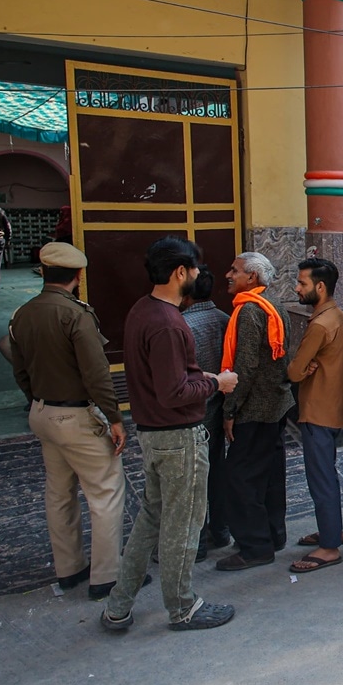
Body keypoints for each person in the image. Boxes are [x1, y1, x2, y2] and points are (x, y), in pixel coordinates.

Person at [101, 238, 237, 632]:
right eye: (195, 269)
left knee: (150, 520)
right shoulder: (166, 322)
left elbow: (169, 379)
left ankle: (118, 605)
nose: (198, 275)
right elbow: (174, 392)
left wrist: (204, 377)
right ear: (181, 271)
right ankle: (183, 607)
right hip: (178, 437)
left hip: (154, 432)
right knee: (183, 525)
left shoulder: (144, 310)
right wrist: (219, 384)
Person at [8, 242, 128, 598]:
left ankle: (69, 569)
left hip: (42, 412)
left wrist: (37, 402)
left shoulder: (23, 314)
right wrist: (115, 416)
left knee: (59, 493)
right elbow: (96, 374)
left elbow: (20, 370)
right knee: (105, 492)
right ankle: (106, 575)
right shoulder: (76, 315)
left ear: (43, 272)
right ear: (78, 276)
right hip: (76, 415)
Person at [214, 252, 292, 571]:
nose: (229, 275)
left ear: (253, 278)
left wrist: (229, 411)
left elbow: (243, 368)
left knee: (241, 477)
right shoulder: (274, 304)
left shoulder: (249, 310)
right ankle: (273, 534)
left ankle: (255, 546)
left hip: (256, 410)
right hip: (276, 404)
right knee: (269, 472)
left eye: (235, 270)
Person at [286, 258, 343, 573]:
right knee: (327, 476)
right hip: (333, 407)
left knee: (320, 479)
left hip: (316, 411)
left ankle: (328, 548)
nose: (297, 288)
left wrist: (299, 368)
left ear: (319, 287)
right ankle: (330, 531)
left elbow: (295, 370)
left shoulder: (320, 324)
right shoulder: (337, 315)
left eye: (302, 283)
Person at [180, 267, 231, 558]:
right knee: (216, 473)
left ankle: (196, 543)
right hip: (218, 408)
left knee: (194, 481)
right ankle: (220, 531)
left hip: (195, 411)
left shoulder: (182, 325)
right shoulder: (225, 320)